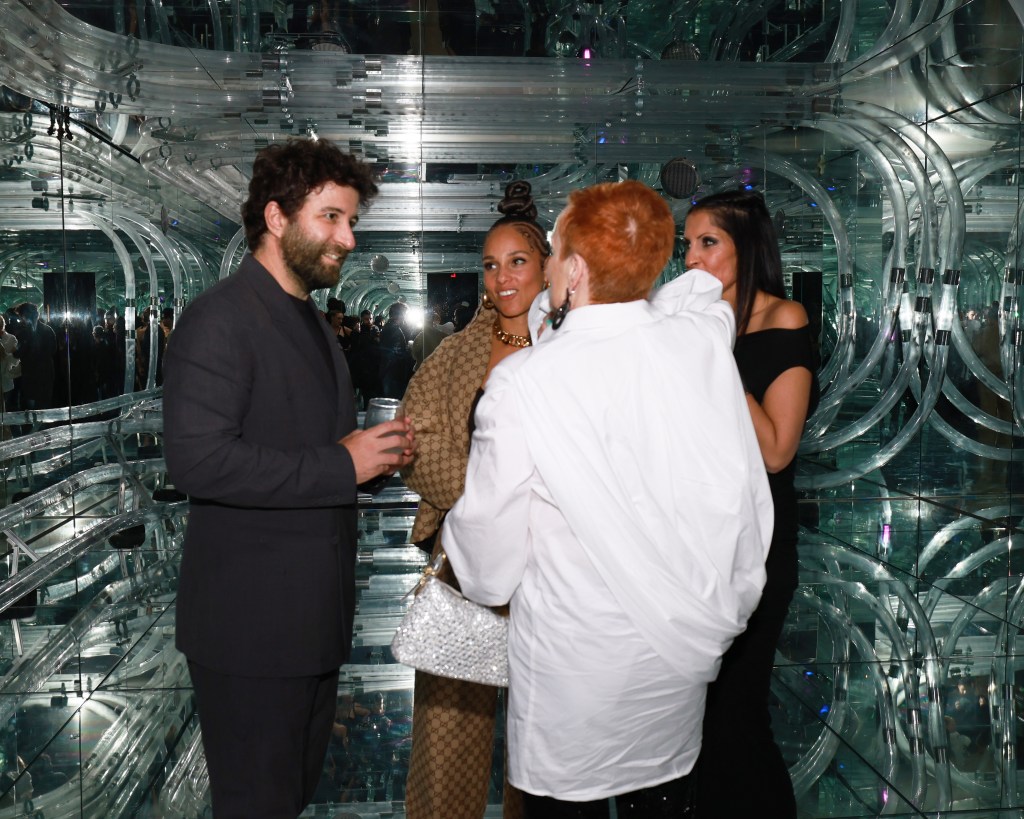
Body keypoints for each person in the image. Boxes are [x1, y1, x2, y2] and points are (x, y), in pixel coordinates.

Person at [442, 180, 773, 818]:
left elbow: (486, 566)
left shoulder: (524, 384)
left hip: (573, 677)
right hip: (672, 677)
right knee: (665, 800)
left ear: (570, 267)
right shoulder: (699, 345)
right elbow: (700, 297)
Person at [162, 138, 415, 819]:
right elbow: (197, 459)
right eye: (331, 217)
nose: (349, 237)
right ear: (276, 218)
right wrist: (343, 463)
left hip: (308, 626)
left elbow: (303, 448)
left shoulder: (306, 318)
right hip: (251, 633)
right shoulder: (221, 319)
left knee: (288, 799)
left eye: (351, 220)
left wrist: (372, 463)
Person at [400, 179, 549, 819]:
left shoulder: (571, 353)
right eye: (491, 266)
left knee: (543, 734)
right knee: (448, 730)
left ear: (547, 266)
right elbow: (412, 435)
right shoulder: (456, 352)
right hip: (464, 563)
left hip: (553, 567)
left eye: (517, 261)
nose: (502, 278)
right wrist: (480, 502)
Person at [682, 188, 819, 819]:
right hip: (698, 544)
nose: (692, 258)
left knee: (738, 712)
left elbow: (776, 451)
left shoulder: (784, 318)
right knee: (699, 720)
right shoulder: (697, 324)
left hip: (759, 545)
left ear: (747, 248)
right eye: (688, 244)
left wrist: (714, 360)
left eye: (708, 243)